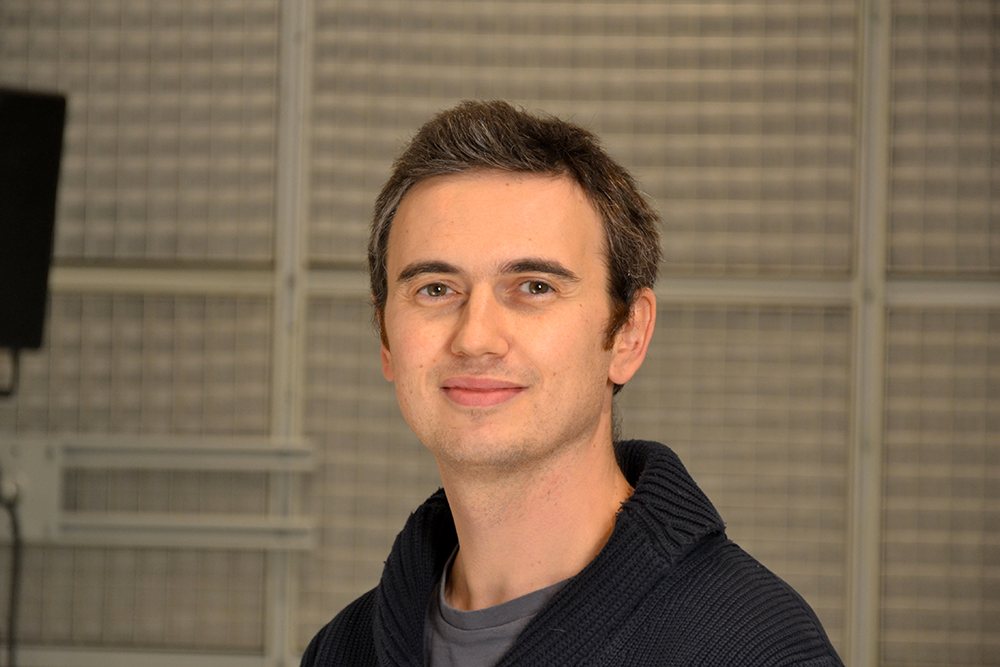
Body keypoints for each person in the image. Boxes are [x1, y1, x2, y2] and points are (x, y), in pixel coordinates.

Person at [302, 100, 844, 667]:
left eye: (534, 287)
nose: (475, 338)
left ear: (628, 334)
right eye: (435, 289)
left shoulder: (757, 649)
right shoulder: (340, 651)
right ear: (386, 338)